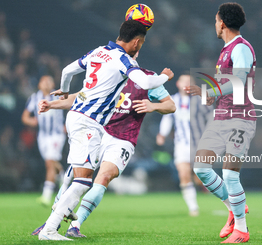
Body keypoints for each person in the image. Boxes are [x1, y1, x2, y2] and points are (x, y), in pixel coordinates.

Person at [38, 20, 173, 241]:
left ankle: (63, 211)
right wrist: (166, 76)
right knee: (82, 182)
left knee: (79, 175)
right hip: (89, 123)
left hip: (79, 117)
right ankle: (50, 229)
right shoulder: (123, 60)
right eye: (142, 43)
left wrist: (64, 88)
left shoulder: (98, 51)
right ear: (137, 42)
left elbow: (67, 70)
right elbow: (147, 83)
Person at [185, 3, 256, 243]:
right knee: (202, 168)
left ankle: (242, 231)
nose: (215, 25)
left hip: (240, 118)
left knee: (230, 175)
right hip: (221, 117)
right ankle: (233, 208)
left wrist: (212, 92)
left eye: (216, 21)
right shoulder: (225, 50)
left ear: (222, 23)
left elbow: (239, 80)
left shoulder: (242, 48)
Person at [156, 74, 213, 217]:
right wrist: (162, 134)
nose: (187, 84)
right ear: (178, 84)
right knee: (184, 174)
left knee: (200, 177)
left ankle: (202, 186)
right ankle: (193, 208)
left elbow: (212, 116)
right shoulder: (173, 100)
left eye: (190, 81)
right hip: (181, 144)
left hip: (199, 144)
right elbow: (167, 118)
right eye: (184, 81)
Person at [21, 75, 66, 206]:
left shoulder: (58, 96)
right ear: (39, 84)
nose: (46, 83)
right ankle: (64, 178)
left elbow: (70, 109)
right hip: (42, 136)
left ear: (53, 84)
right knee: (53, 163)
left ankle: (46, 196)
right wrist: (31, 121)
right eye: (43, 81)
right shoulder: (34, 98)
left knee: (49, 164)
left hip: (56, 135)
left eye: (49, 81)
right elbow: (25, 117)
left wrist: (68, 124)